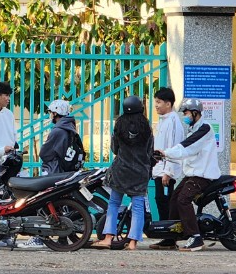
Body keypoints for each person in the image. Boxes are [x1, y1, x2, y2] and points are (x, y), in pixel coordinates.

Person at [0, 80, 42, 249]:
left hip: (10, 162)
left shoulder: (8, 114)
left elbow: (13, 135)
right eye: (6, 96)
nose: (8, 99)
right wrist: (0, 149)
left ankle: (8, 233)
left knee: (11, 199)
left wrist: (15, 148)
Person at [156, 97, 220, 252]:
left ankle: (196, 237)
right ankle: (172, 238)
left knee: (183, 200)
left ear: (195, 113)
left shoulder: (205, 128)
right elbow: (186, 151)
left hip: (202, 175)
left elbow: (186, 147)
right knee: (174, 199)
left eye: (186, 113)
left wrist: (166, 153)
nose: (185, 115)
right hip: (193, 174)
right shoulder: (195, 129)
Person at [91, 95, 153, 250]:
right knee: (138, 206)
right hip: (140, 172)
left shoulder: (119, 126)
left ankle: (108, 238)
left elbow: (114, 149)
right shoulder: (146, 128)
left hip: (121, 171)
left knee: (113, 203)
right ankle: (133, 242)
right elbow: (149, 151)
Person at [149, 86, 185, 247]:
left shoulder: (173, 122)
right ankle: (166, 235)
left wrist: (168, 172)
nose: (156, 105)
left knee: (166, 201)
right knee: (160, 200)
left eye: (159, 102)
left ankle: (170, 237)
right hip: (159, 170)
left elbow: (174, 148)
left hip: (166, 172)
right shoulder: (163, 121)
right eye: (155, 102)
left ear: (168, 104)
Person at [37, 99, 85, 176]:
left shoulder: (57, 131)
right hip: (68, 173)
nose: (50, 115)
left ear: (55, 113)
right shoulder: (71, 129)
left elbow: (43, 154)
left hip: (55, 172)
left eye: (51, 112)